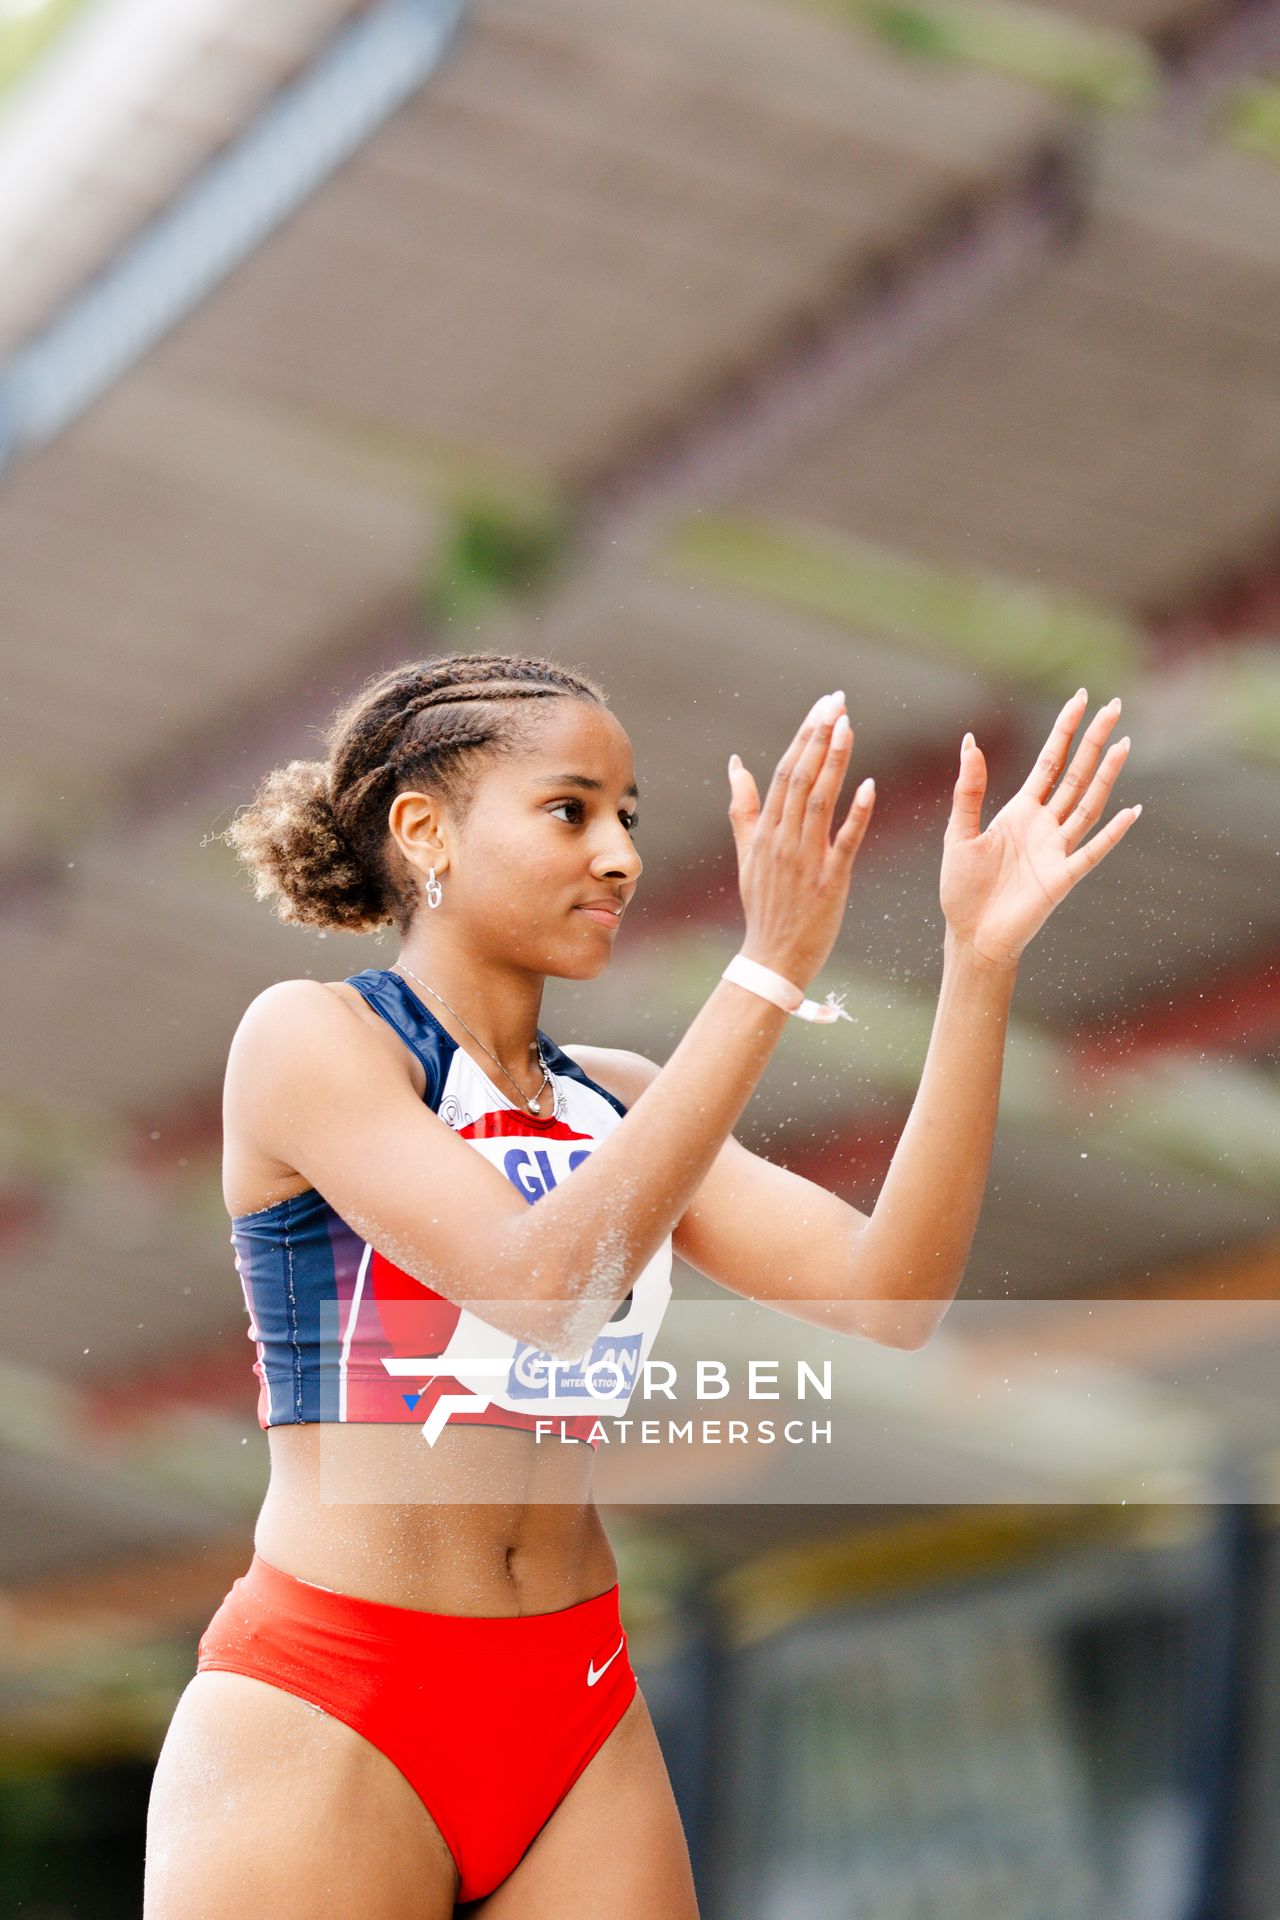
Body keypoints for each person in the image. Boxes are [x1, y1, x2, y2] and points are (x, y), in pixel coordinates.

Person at [142, 651, 1138, 1918]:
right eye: (570, 811)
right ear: (423, 828)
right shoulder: (309, 1038)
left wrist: (978, 963)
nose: (617, 855)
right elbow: (542, 1288)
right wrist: (765, 972)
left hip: (573, 1700)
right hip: (336, 1690)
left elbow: (886, 1297)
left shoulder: (613, 1092)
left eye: (627, 817)